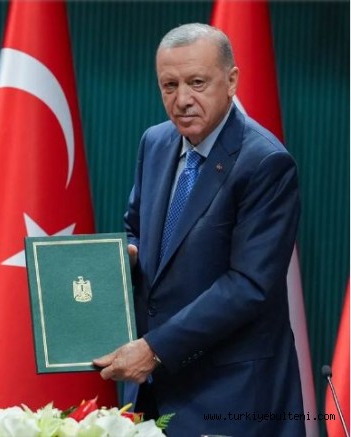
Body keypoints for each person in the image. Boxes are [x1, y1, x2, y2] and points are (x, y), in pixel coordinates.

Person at [94, 23, 305, 436]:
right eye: (169, 85)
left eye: (197, 82)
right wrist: (130, 254)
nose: (182, 99)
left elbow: (249, 285)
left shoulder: (265, 162)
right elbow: (135, 228)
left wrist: (155, 349)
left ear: (231, 81)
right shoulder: (155, 142)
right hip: (153, 394)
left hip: (230, 396)